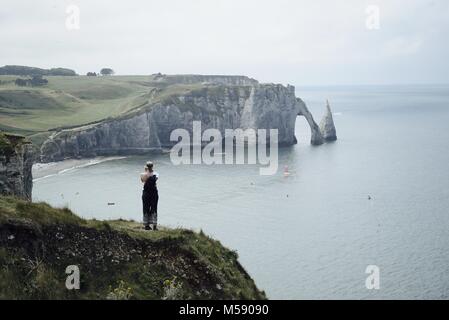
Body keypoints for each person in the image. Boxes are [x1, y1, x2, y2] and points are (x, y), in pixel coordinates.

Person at [140, 161, 159, 231]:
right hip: (153, 192)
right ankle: (154, 226)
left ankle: (147, 225)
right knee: (154, 208)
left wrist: (146, 171)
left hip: (146, 193)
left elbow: (143, 180)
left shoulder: (143, 174)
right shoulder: (156, 173)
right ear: (152, 166)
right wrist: (148, 172)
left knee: (146, 208)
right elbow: (145, 180)